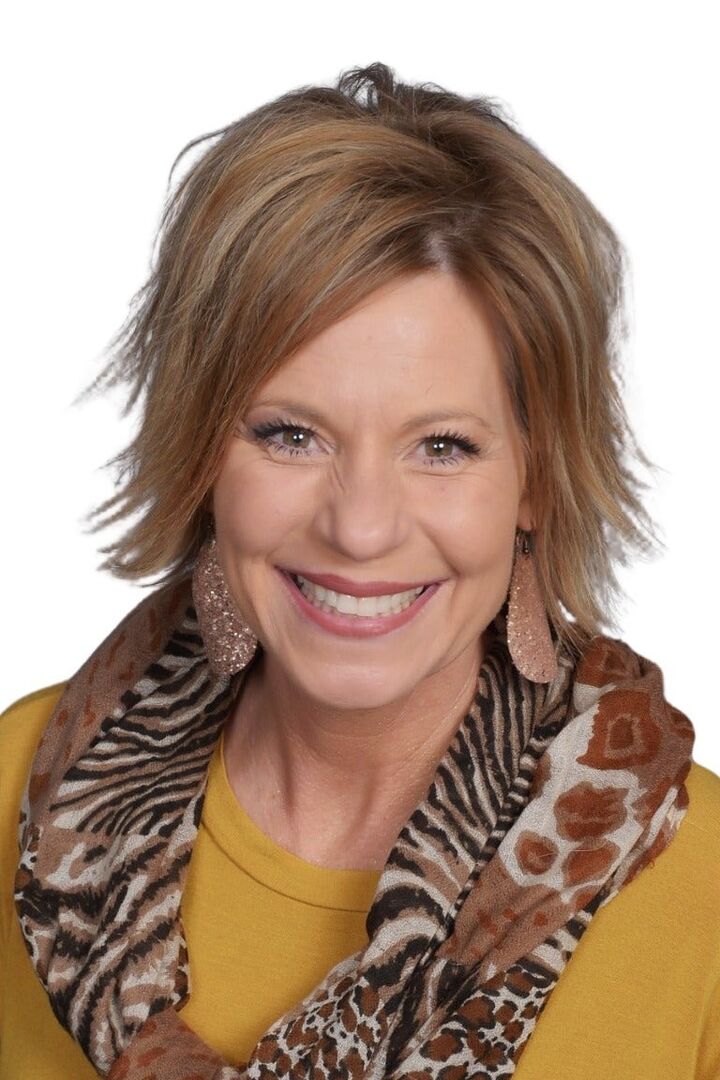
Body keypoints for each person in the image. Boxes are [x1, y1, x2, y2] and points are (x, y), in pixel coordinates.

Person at [1, 62, 718, 1080]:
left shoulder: (702, 892)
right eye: (291, 435)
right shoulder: (24, 791)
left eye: (443, 446)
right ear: (203, 453)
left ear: (535, 480)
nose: (362, 528)